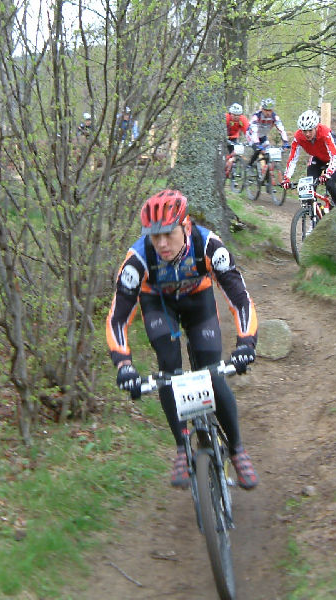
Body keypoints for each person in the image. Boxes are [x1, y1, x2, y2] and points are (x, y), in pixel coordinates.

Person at [106, 190, 259, 490]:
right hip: (157, 305)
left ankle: (238, 450)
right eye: (154, 236)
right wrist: (124, 365)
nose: (161, 244)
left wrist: (246, 343)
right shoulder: (137, 260)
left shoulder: (208, 245)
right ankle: (181, 446)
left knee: (213, 373)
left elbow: (240, 299)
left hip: (197, 302)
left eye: (168, 234)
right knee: (168, 371)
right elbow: (117, 318)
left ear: (185, 226)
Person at [282, 109, 336, 207]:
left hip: (334, 157)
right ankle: (314, 212)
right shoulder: (298, 137)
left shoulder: (325, 133)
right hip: (317, 157)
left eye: (310, 130)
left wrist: (328, 173)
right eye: (304, 131)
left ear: (316, 127)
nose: (307, 134)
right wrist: (286, 178)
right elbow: (293, 158)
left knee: (330, 185)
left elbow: (334, 155)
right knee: (309, 186)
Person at [247, 97, 289, 169]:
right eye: (266, 110)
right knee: (258, 150)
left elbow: (281, 129)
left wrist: (285, 142)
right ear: (262, 109)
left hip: (263, 136)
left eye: (270, 110)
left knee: (268, 152)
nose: (268, 112)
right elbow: (254, 131)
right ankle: (249, 166)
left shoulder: (274, 117)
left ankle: (266, 174)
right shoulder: (256, 116)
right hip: (251, 135)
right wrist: (257, 143)